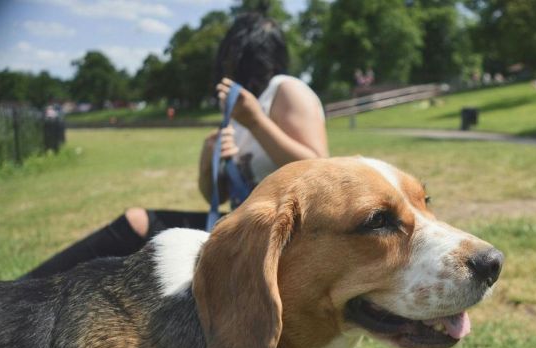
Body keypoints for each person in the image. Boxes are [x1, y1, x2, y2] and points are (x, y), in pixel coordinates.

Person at [23, 12, 328, 279]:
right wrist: (208, 158)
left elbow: (320, 173)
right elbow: (217, 196)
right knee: (139, 222)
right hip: (244, 229)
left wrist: (256, 122)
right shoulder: (241, 110)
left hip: (284, 239)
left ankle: (25, 291)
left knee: (141, 224)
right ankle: (27, 290)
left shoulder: (286, 89)